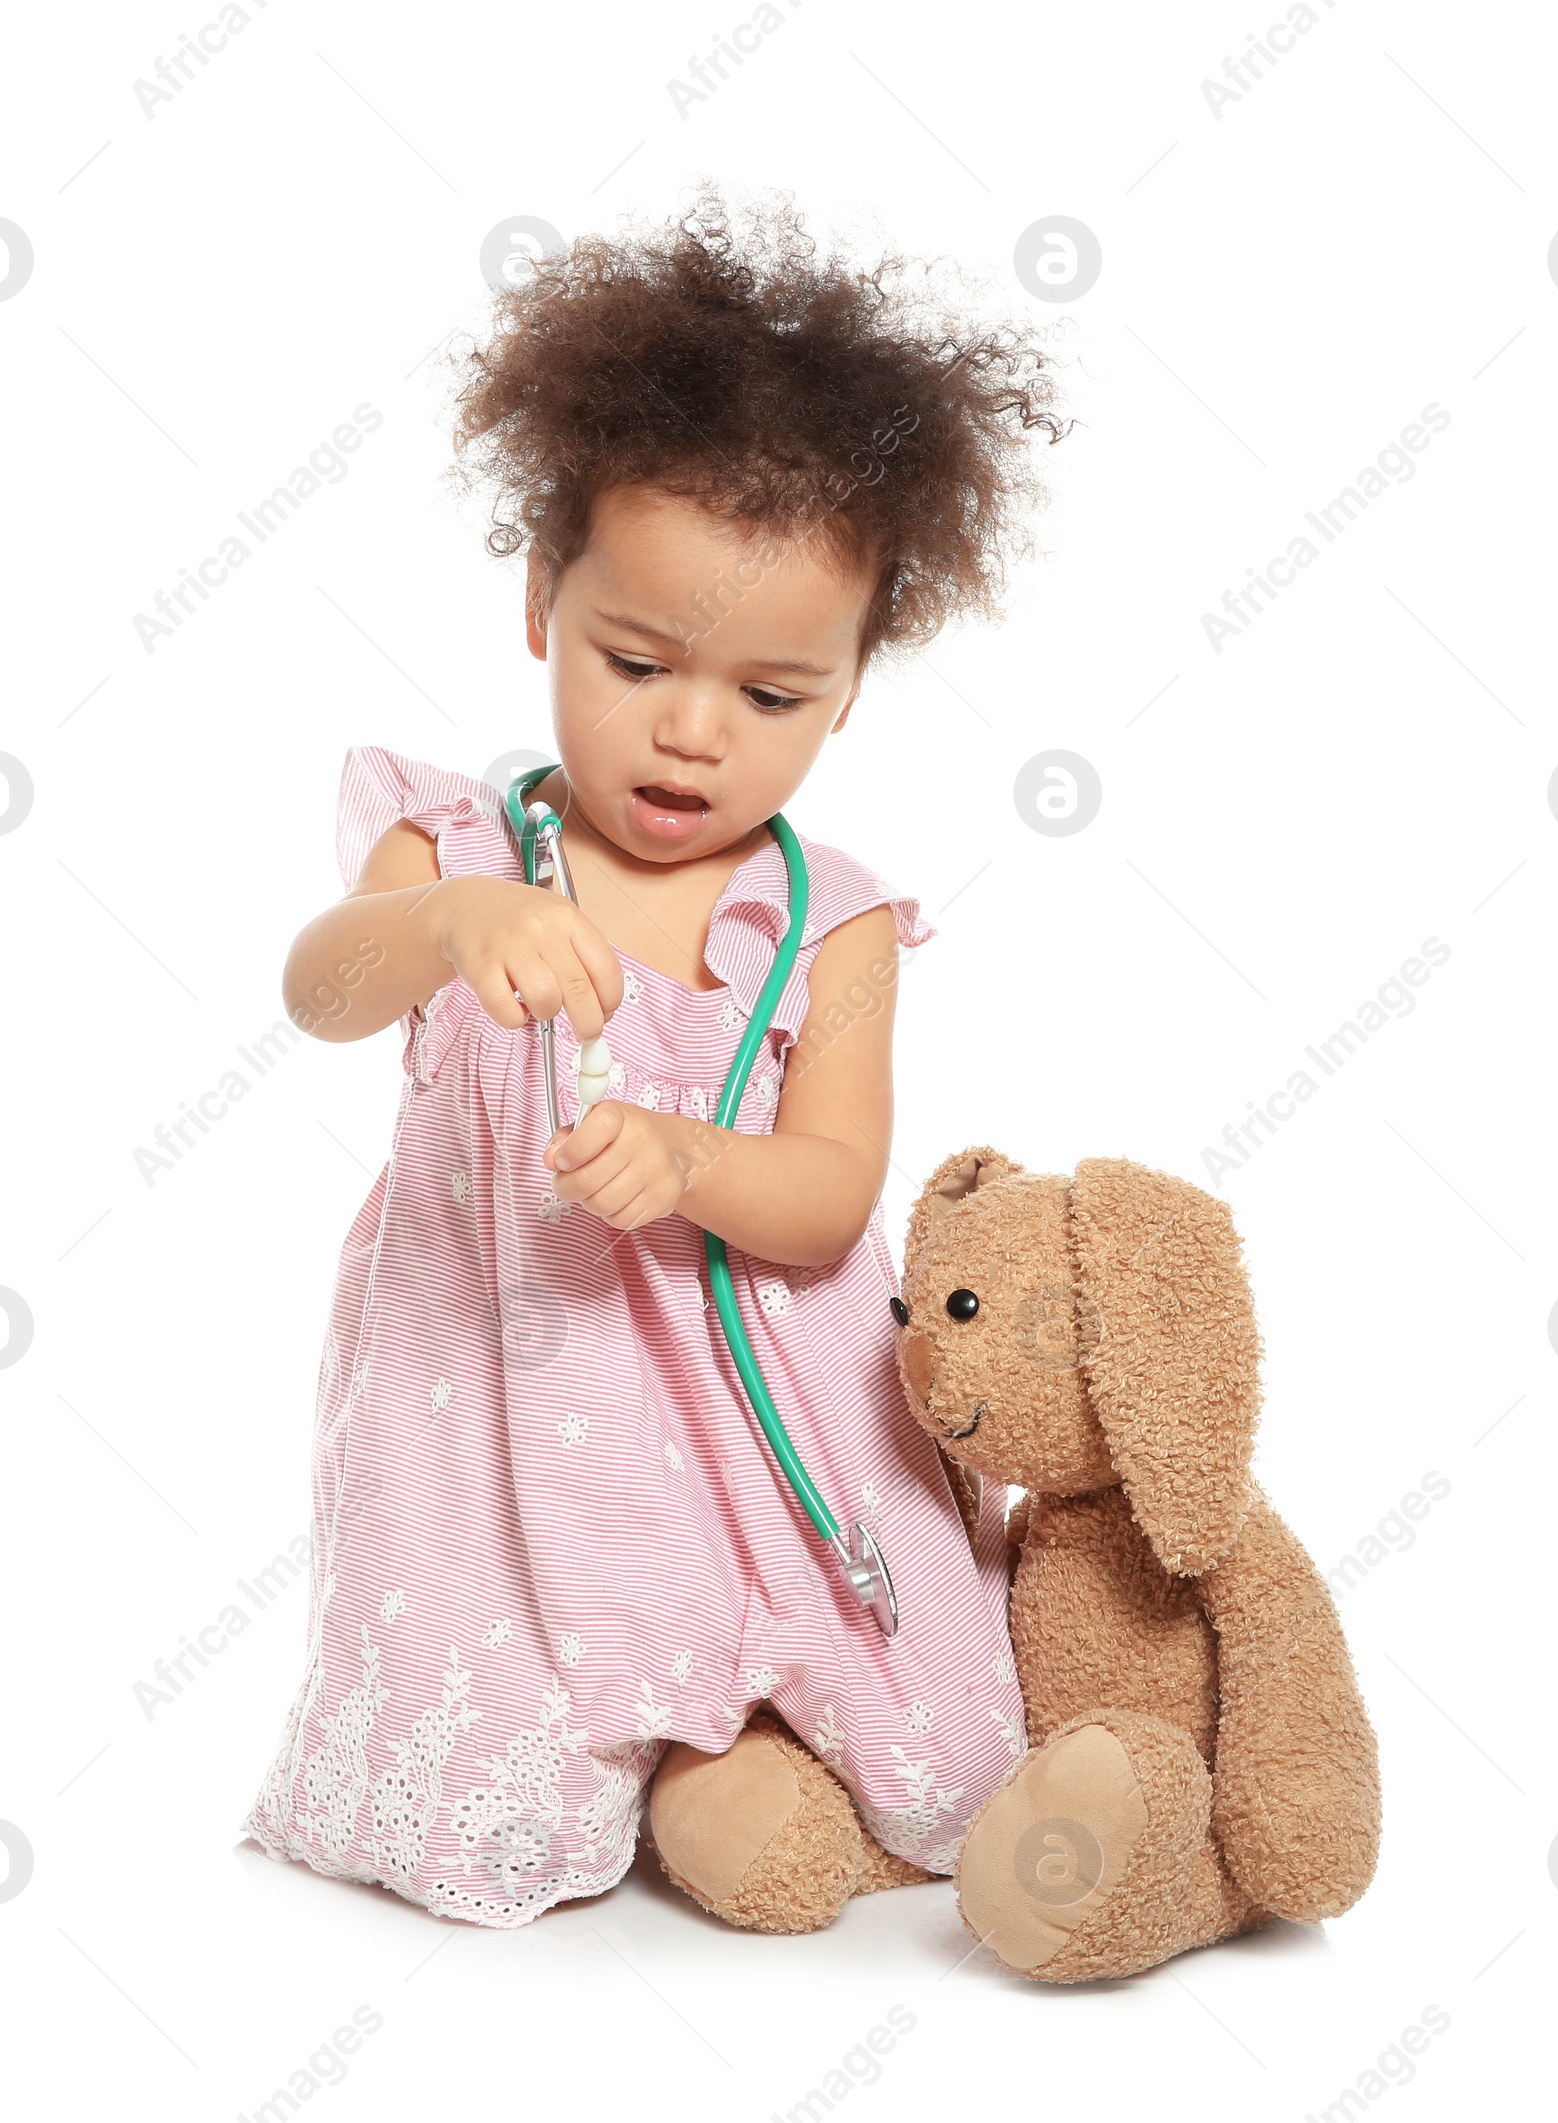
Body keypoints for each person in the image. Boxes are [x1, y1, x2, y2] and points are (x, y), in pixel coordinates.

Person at [245, 187, 1069, 1929]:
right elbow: (324, 989)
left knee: (908, 1682)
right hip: (494, 1396)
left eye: (773, 695)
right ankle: (651, 1773)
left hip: (767, 1412)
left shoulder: (829, 922)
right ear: (545, 599)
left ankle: (745, 1744)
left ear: (851, 688)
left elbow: (836, 1194)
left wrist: (694, 1167)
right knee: (508, 1678)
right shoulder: (457, 847)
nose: (693, 729)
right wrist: (452, 932)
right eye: (638, 660)